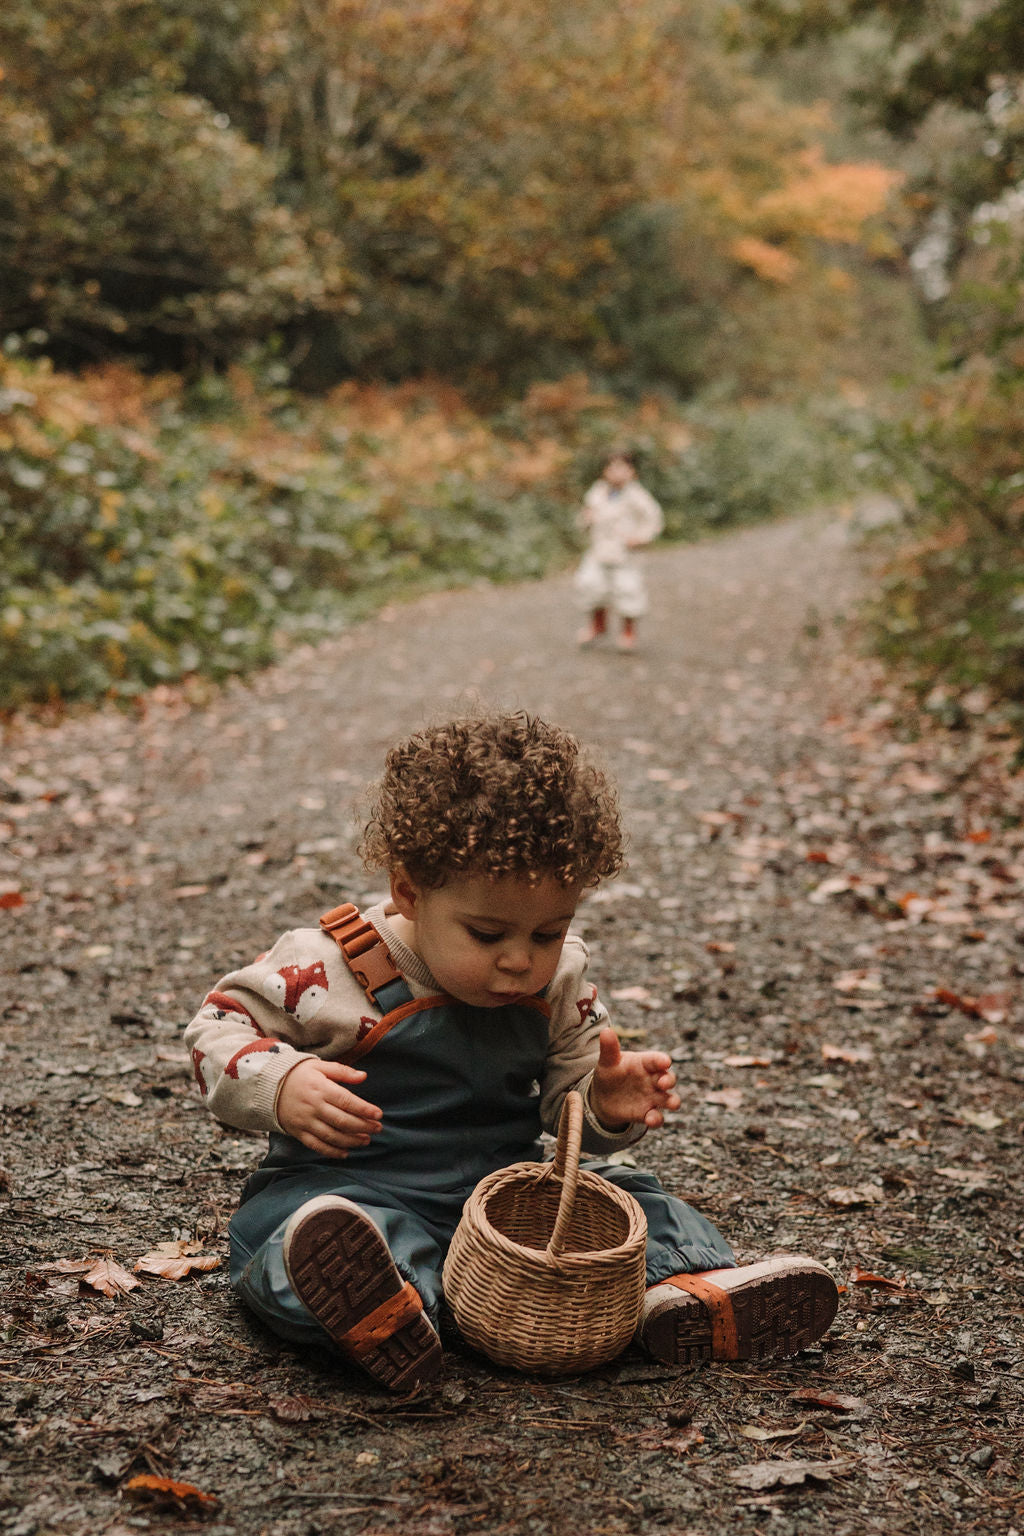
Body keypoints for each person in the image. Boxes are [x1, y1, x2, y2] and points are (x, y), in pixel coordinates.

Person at [184, 711, 838, 1393]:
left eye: (550, 932)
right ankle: (385, 1308)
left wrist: (604, 1102)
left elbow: (571, 1111)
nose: (520, 962)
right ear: (409, 892)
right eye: (487, 934)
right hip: (353, 1190)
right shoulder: (326, 969)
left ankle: (680, 1294)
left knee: (633, 1200)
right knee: (307, 1238)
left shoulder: (559, 982)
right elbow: (215, 1031)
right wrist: (282, 1085)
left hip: (505, 1203)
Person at [574, 451, 664, 652]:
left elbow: (653, 520)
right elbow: (585, 517)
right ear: (605, 471)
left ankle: (628, 633)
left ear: (631, 472)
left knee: (628, 590)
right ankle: (598, 626)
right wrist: (586, 520)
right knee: (590, 585)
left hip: (625, 553)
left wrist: (641, 538)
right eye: (612, 468)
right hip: (599, 550)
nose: (617, 473)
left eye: (622, 468)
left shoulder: (637, 496)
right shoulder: (597, 492)